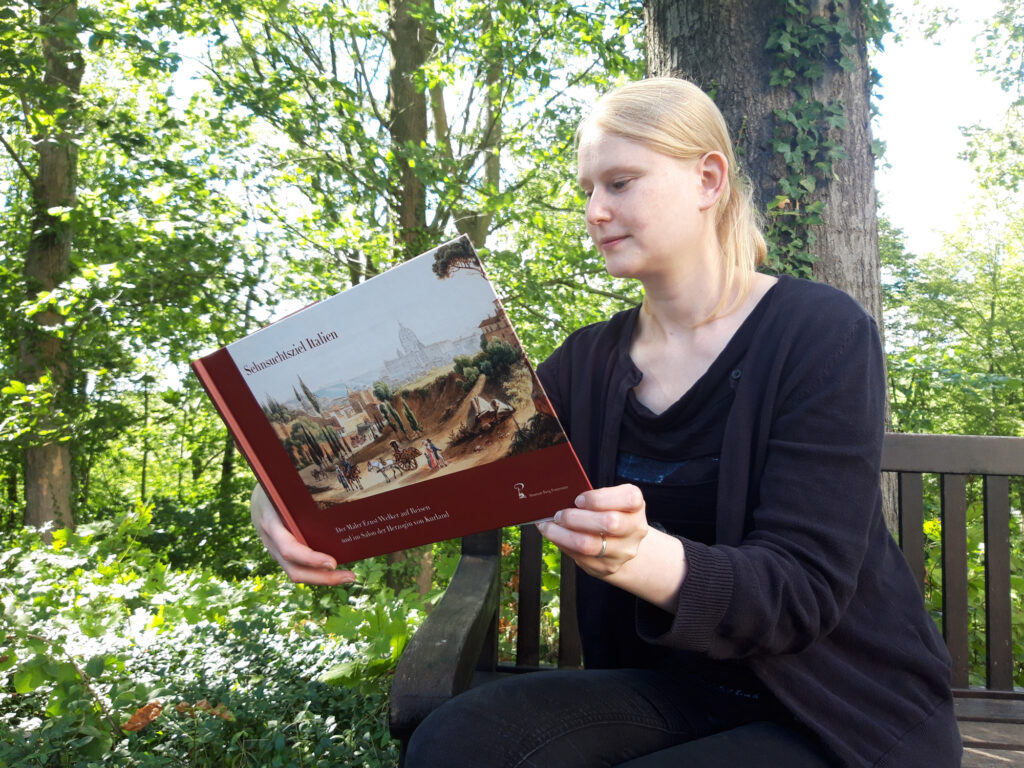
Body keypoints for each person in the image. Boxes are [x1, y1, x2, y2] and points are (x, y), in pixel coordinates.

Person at [250, 77, 961, 766]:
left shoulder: (818, 332)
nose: (594, 210)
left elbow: (801, 593)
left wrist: (639, 555)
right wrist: (282, 495)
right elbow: (428, 462)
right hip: (672, 692)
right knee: (455, 741)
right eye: (587, 190)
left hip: (840, 709)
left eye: (619, 183)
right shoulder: (586, 364)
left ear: (708, 181)